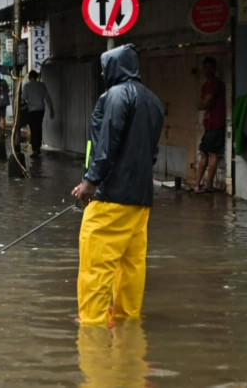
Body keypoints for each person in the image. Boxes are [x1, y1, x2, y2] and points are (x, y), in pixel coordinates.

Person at [72, 44, 164, 326]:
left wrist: (90, 181)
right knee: (131, 265)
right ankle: (127, 320)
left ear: (112, 69)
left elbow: (107, 142)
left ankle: (92, 324)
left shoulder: (114, 96)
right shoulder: (153, 101)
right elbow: (151, 152)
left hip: (111, 197)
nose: (102, 74)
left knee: (96, 264)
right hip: (140, 199)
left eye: (103, 69)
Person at [194, 57, 226, 194]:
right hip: (209, 124)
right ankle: (197, 184)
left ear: (214, 68)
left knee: (212, 154)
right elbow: (201, 104)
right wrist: (203, 103)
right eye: (205, 68)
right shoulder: (205, 85)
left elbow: (204, 104)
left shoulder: (216, 84)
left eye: (209, 67)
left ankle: (207, 185)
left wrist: (204, 103)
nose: (206, 70)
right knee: (204, 152)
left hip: (216, 123)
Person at [22, 70, 55, 158]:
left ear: (29, 77)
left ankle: (35, 149)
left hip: (31, 110)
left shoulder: (26, 86)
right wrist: (52, 110)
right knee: (39, 127)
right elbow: (47, 98)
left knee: (33, 129)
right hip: (41, 110)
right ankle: (38, 147)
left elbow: (23, 98)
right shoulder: (42, 85)